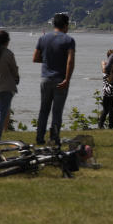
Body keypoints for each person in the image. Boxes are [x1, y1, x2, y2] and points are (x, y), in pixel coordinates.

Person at [33, 13, 76, 145]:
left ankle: (40, 137)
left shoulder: (43, 38)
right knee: (57, 111)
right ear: (65, 25)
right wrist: (67, 79)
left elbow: (35, 58)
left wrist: (48, 61)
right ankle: (54, 138)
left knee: (43, 109)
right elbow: (70, 61)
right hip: (60, 79)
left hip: (45, 78)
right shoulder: (69, 40)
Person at [98, 49, 113, 129]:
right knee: (109, 110)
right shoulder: (110, 66)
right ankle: (106, 125)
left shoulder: (106, 65)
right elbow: (110, 79)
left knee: (108, 110)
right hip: (110, 91)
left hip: (107, 91)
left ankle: (105, 125)